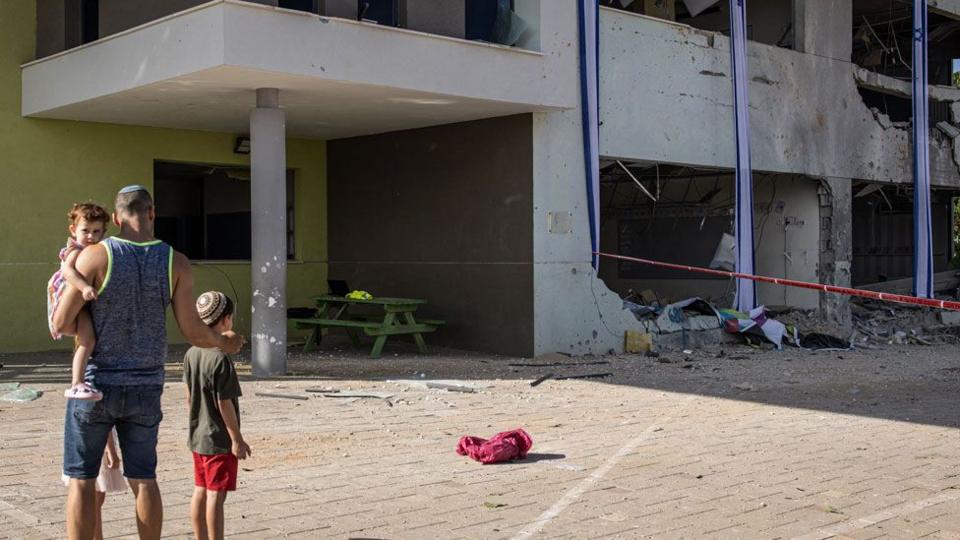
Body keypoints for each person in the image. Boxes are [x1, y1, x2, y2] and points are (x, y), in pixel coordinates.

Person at [52, 185, 245, 540]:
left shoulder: (94, 256)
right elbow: (194, 332)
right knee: (144, 478)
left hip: (95, 384)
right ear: (152, 213)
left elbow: (62, 323)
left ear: (115, 219)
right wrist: (225, 342)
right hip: (145, 384)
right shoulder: (176, 262)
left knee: (81, 480)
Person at [184, 291, 251, 540]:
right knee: (216, 495)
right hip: (218, 438)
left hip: (198, 434)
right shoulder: (221, 358)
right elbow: (225, 403)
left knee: (200, 490)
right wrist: (236, 439)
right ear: (226, 319)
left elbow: (189, 396)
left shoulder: (192, 352)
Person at [47, 203, 109, 400]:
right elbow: (67, 271)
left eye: (96, 231)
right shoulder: (75, 248)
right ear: (73, 230)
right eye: (85, 231)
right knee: (87, 340)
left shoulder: (97, 249)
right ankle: (76, 382)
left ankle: (80, 381)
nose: (90, 236)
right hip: (69, 297)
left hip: (82, 304)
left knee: (87, 340)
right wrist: (84, 287)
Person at [60, 430, 126, 540]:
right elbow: (103, 415)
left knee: (93, 496)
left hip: (83, 434)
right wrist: (110, 449)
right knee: (95, 497)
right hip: (97, 439)